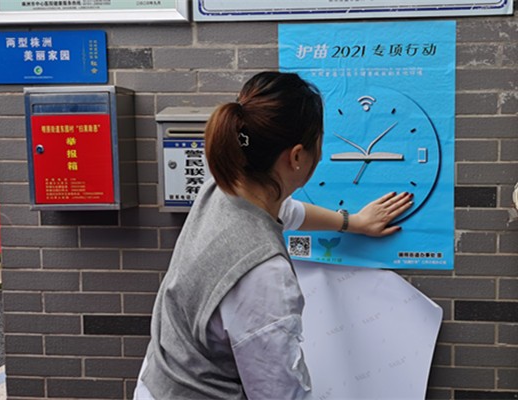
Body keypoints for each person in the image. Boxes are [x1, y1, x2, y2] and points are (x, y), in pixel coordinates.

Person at [134, 71, 413, 399]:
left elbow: (288, 211)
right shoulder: (263, 274)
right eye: (319, 142)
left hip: (160, 380)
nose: (321, 153)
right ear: (296, 157)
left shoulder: (222, 188)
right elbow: (278, 392)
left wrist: (352, 222)